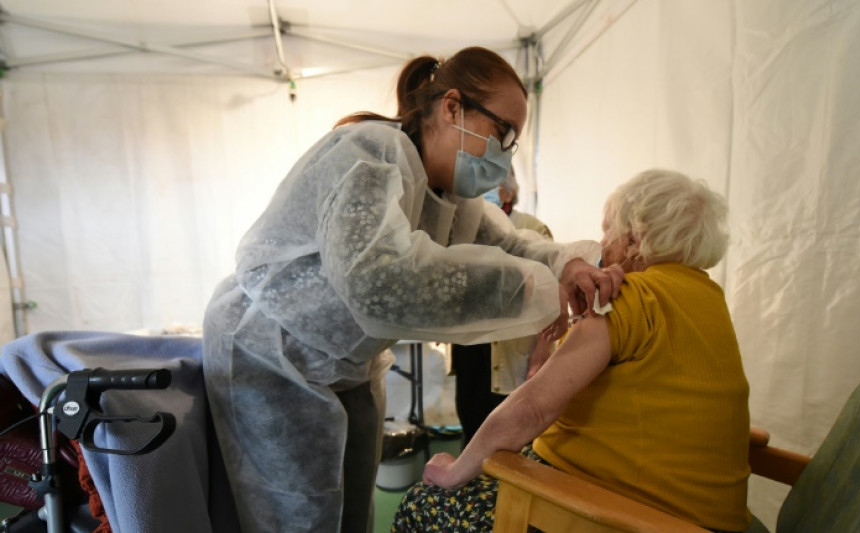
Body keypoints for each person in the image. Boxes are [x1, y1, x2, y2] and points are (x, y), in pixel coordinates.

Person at [202, 46, 622, 533]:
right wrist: (541, 287)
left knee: (352, 512)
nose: (503, 159)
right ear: (452, 107)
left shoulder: (454, 202)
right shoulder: (368, 154)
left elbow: (512, 247)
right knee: (298, 517)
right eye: (502, 134)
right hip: (271, 351)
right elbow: (380, 283)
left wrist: (570, 262)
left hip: (346, 362)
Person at [393, 169, 751, 533]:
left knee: (424, 503)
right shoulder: (709, 298)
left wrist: (454, 471)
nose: (601, 243)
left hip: (628, 513)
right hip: (705, 516)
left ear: (633, 240)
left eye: (607, 231)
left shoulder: (630, 296)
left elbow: (533, 407)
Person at [452, 169, 556, 447]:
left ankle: (503, 487)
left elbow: (551, 296)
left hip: (512, 346)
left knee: (508, 428)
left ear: (508, 192)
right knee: (471, 420)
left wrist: (542, 352)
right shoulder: (464, 226)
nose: (480, 192)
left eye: (490, 185)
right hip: (470, 344)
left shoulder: (531, 229)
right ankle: (471, 485)